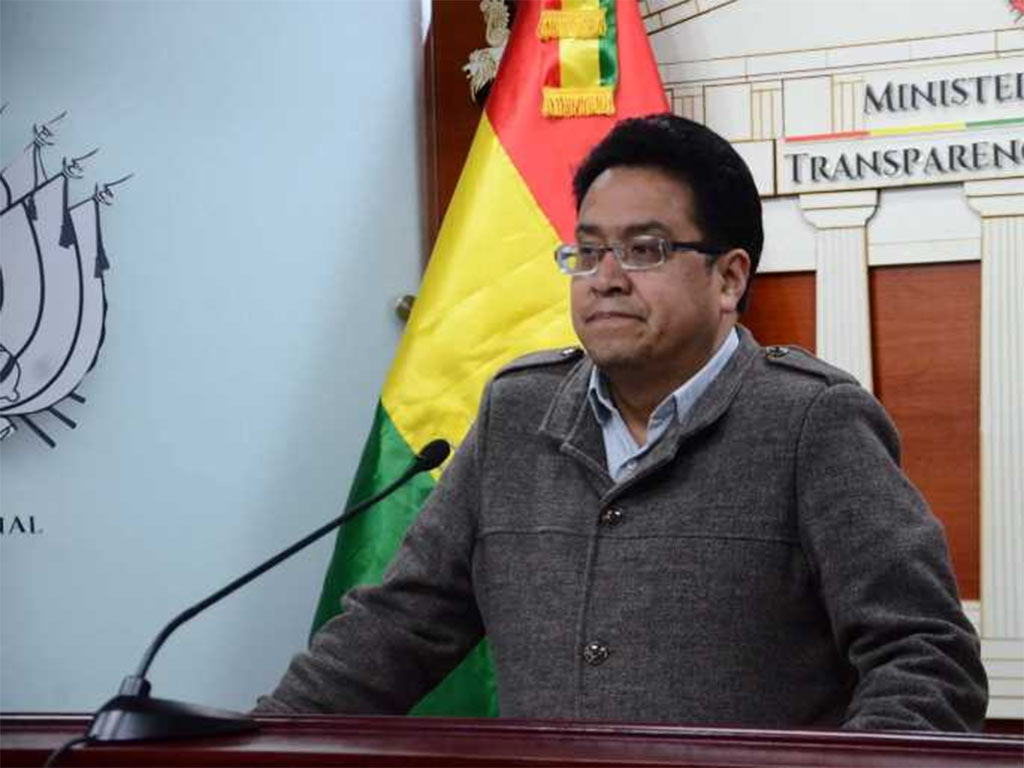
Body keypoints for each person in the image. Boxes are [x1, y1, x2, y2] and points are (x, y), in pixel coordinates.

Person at [256, 114, 987, 731]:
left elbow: (926, 658)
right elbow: (401, 624)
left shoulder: (810, 421)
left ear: (729, 278)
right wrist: (261, 739)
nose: (605, 279)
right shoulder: (518, 413)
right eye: (588, 251)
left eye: (645, 250)